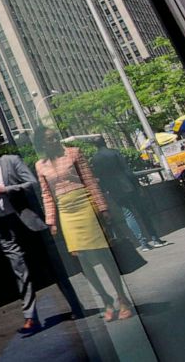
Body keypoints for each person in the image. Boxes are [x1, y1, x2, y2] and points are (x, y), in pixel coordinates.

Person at [0, 132, 83, 335]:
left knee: (53, 267)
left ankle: (76, 306)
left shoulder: (11, 161)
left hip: (27, 222)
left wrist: (8, 189)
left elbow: (32, 183)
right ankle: (30, 319)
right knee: (20, 272)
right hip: (4, 227)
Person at [35, 135, 134, 322]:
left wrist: (102, 207)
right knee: (83, 259)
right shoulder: (40, 165)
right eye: (48, 139)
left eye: (53, 137)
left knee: (103, 254)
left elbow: (90, 181)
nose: (54, 140)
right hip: (66, 212)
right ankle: (106, 300)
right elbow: (47, 194)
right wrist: (52, 221)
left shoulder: (73, 153)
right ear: (41, 144)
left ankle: (122, 299)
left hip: (86, 204)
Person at [89, 136, 170, 253]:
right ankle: (155, 238)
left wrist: (106, 189)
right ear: (105, 141)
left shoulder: (94, 160)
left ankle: (143, 243)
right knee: (142, 212)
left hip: (114, 191)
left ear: (94, 146)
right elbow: (127, 170)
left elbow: (99, 177)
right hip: (128, 186)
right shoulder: (114, 153)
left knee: (128, 215)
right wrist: (137, 185)